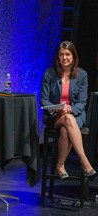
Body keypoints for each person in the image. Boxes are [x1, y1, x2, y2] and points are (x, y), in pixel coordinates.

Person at [40, 41, 96, 180]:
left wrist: (70, 110)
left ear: (73, 56)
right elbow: (44, 100)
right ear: (57, 57)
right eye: (61, 54)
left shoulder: (82, 75)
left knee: (66, 127)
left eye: (67, 54)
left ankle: (60, 165)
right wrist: (59, 109)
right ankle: (84, 162)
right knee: (67, 120)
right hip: (54, 116)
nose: (64, 58)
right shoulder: (49, 74)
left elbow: (82, 102)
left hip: (75, 115)